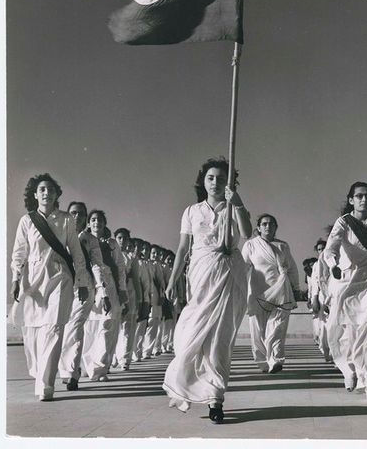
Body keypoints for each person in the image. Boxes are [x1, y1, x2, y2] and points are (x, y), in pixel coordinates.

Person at [162, 158, 252, 424]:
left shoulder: (233, 207)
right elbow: (182, 249)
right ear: (203, 181)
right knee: (189, 334)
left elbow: (247, 234)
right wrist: (172, 280)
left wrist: (238, 203)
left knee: (219, 339)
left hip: (229, 274)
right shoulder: (191, 211)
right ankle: (185, 382)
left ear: (229, 183)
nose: (215, 182)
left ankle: (216, 398)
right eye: (211, 178)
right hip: (201, 274)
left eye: (221, 178)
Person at [10, 173, 89, 401]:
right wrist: (15, 278)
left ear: (57, 195)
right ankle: (39, 374)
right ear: (35, 195)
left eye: (51, 189)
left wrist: (81, 281)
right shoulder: (26, 221)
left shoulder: (66, 220)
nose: (47, 193)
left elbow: (76, 252)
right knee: (34, 331)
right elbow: (19, 253)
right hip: (32, 282)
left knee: (54, 328)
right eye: (42, 189)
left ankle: (45, 385)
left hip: (60, 277)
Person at [324, 182, 367, 404]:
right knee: (345, 332)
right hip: (350, 283)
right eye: (359, 196)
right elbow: (330, 248)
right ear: (351, 199)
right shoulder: (343, 222)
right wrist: (333, 263)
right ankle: (349, 369)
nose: (364, 200)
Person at [58, 201, 110, 390]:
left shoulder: (90, 239)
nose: (77, 217)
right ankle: (66, 371)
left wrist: (102, 292)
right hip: (63, 286)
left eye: (81, 213)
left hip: (85, 287)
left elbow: (97, 265)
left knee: (75, 326)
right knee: (63, 328)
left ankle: (73, 373)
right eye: (73, 213)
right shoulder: (61, 233)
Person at [242, 214, 299, 373]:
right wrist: (239, 287)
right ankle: (263, 362)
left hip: (281, 290)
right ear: (258, 227)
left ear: (276, 227)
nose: (268, 227)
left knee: (278, 326)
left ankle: (276, 359)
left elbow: (292, 268)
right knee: (258, 329)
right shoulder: (250, 245)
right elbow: (244, 267)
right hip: (258, 291)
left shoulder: (283, 246)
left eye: (271, 224)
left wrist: (296, 286)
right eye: (264, 224)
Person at [81, 210, 128, 381]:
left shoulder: (112, 243)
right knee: (90, 328)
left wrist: (122, 289)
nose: (96, 223)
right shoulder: (83, 239)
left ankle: (100, 368)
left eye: (100, 220)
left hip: (110, 285)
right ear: (88, 223)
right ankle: (87, 366)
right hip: (88, 285)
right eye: (93, 220)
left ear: (104, 223)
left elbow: (120, 267)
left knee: (108, 325)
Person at [114, 231, 143, 370]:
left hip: (129, 294)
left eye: (125, 238)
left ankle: (124, 359)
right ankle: (112, 357)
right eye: (119, 238)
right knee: (113, 326)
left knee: (127, 327)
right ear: (115, 239)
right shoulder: (111, 253)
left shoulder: (132, 258)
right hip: (114, 294)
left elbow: (136, 280)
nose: (122, 241)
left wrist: (140, 299)